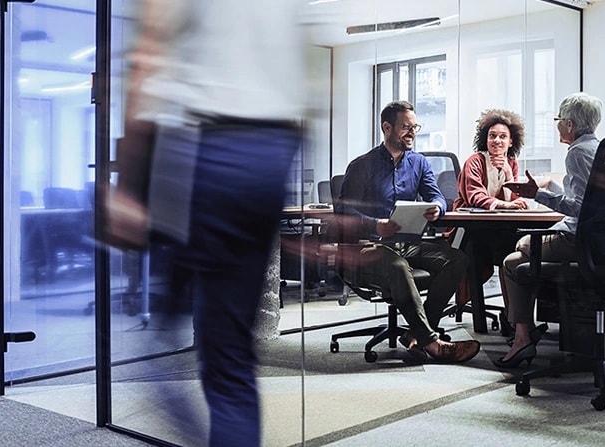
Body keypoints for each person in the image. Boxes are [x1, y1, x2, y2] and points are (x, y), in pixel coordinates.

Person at [113, 1, 311, 445]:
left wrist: (127, 183)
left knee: (156, 347)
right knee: (230, 354)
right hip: (272, 151)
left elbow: (148, 54)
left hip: (205, 148)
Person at [334, 100, 480, 363]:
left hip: (407, 244)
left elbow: (437, 197)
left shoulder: (419, 163)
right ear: (387, 127)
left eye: (415, 127)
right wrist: (375, 224)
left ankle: (416, 333)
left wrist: (437, 208)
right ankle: (433, 344)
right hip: (368, 247)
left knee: (457, 260)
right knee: (398, 266)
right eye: (406, 127)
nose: (412, 132)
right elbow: (343, 214)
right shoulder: (362, 165)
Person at [496, 92, 605, 368]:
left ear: (570, 125)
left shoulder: (576, 153)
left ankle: (521, 337)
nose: (558, 125)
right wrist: (547, 190)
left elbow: (579, 209)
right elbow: (587, 201)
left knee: (521, 249)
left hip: (578, 241)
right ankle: (523, 335)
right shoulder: (602, 150)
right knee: (516, 262)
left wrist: (538, 195)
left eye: (559, 120)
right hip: (602, 242)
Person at [452, 109, 528, 333]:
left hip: (498, 228)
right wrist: (506, 204)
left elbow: (516, 199)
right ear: (485, 138)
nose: (497, 140)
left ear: (511, 140)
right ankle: (501, 318)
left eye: (502, 136)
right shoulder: (475, 161)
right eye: (492, 135)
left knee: (515, 251)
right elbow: (475, 196)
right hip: (470, 229)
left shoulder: (511, 163)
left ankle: (511, 314)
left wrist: (509, 176)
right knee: (495, 249)